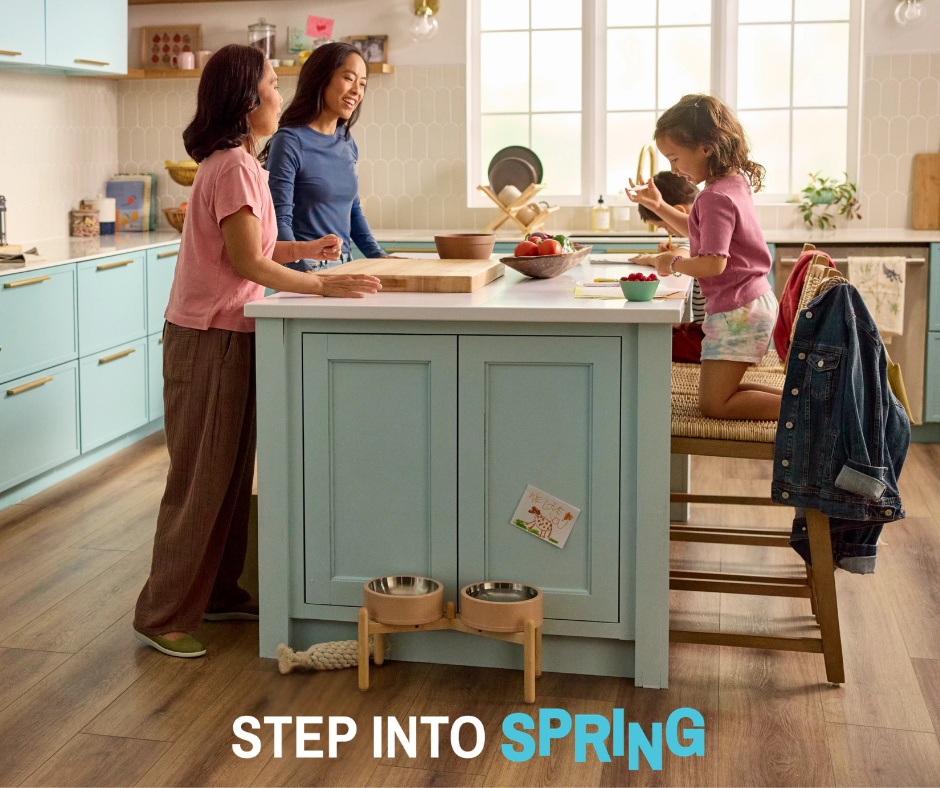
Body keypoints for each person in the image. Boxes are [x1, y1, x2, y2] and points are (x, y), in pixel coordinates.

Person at [133, 45, 381, 659]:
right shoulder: (236, 168)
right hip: (208, 338)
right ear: (248, 100)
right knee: (199, 481)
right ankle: (162, 613)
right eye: (272, 84)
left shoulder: (241, 164)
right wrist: (326, 282)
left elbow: (255, 249)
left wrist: (310, 251)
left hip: (230, 334)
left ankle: (218, 593)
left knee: (229, 474)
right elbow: (246, 263)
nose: (280, 93)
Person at [627, 94, 781, 422]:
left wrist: (670, 263)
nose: (673, 168)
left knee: (714, 405)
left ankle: (816, 414)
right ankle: (811, 404)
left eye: (675, 158)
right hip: (750, 305)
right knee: (721, 395)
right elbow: (699, 233)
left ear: (705, 148)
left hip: (738, 311)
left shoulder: (713, 197)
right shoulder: (729, 183)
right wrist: (658, 206)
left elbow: (713, 262)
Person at [265, 42, 386, 272]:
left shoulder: (346, 141)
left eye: (362, 84)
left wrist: (379, 256)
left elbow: (353, 209)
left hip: (343, 266)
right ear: (322, 78)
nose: (357, 91)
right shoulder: (289, 141)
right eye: (349, 78)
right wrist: (304, 273)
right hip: (302, 270)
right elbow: (279, 221)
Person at [632, 171, 705, 363]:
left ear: (678, 213)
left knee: (649, 342)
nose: (668, 232)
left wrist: (656, 258)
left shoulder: (699, 235)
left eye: (665, 226)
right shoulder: (707, 228)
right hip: (708, 328)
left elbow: (678, 258)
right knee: (658, 333)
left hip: (720, 336)